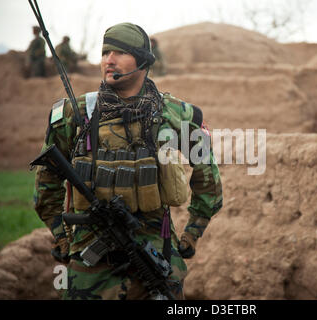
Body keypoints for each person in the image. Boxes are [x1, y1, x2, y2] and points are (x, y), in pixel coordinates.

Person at [33, 22, 223, 300]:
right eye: (105, 52)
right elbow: (46, 182)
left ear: (143, 60)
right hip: (89, 269)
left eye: (120, 52)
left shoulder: (176, 114)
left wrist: (193, 232)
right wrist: (61, 236)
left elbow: (209, 179)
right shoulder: (75, 115)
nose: (109, 60)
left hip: (154, 261)